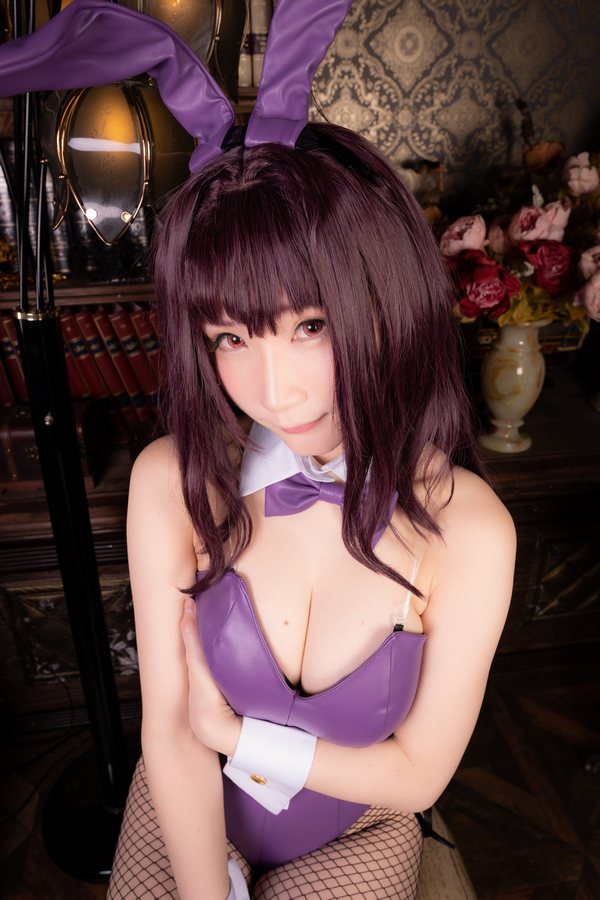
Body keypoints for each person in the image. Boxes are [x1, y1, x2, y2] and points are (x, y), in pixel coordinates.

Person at [106, 119, 516, 899]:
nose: (275, 392)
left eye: (310, 326)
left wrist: (232, 733)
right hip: (189, 799)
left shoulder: (470, 530)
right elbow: (171, 730)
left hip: (358, 828)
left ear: (386, 301)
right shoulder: (173, 479)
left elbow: (419, 774)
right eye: (230, 338)